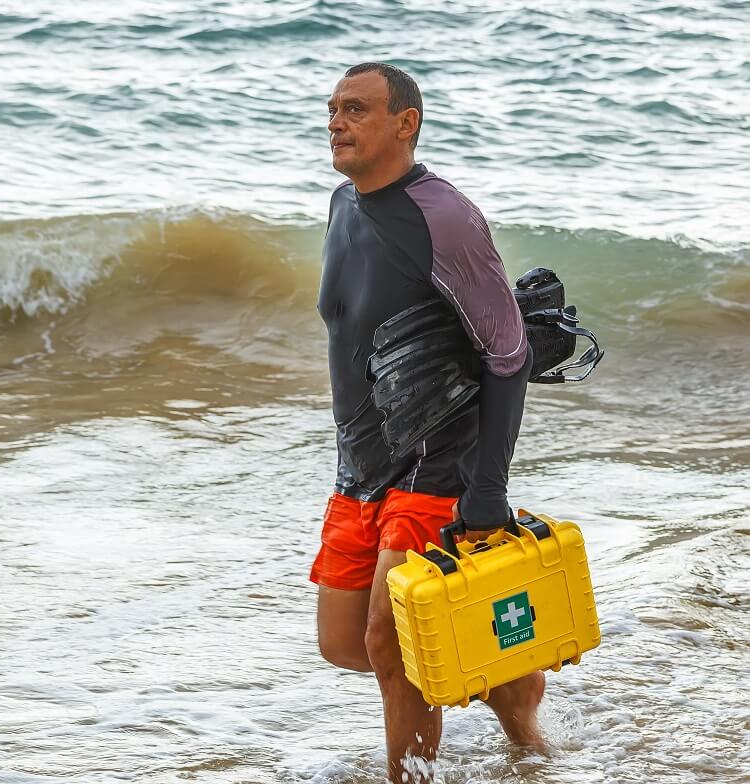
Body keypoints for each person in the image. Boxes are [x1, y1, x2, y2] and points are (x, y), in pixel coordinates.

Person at [311, 62, 546, 781]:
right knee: (344, 641)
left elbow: (508, 354)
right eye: (331, 109)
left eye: (355, 109)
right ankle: (514, 687)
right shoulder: (344, 205)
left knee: (393, 644)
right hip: (362, 467)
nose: (336, 122)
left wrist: (486, 493)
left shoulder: (443, 216)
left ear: (404, 122)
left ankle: (416, 776)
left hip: (436, 463)